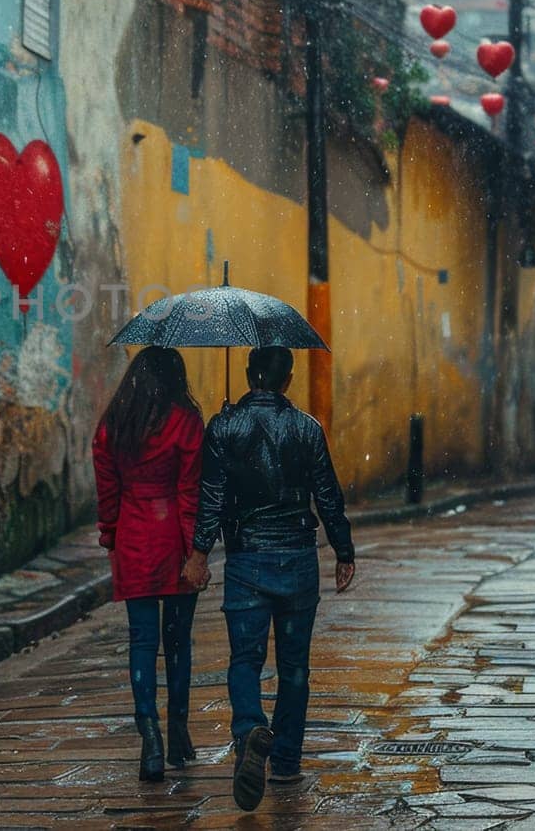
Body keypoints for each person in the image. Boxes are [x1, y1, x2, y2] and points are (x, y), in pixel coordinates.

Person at [183, 346, 355, 812]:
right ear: (288, 379)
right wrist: (343, 549)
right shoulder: (308, 428)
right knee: (294, 667)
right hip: (298, 560)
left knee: (245, 660)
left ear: (249, 374)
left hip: (247, 561)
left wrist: (199, 552)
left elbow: (212, 497)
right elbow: (327, 494)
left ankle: (248, 734)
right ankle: (284, 760)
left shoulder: (224, 426)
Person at [93, 346, 206, 783]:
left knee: (142, 643)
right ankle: (178, 731)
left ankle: (151, 739)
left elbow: (108, 494)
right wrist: (195, 549)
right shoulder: (186, 423)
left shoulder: (113, 426)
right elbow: (190, 494)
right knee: (178, 644)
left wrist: (110, 536)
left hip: (134, 542)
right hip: (174, 544)